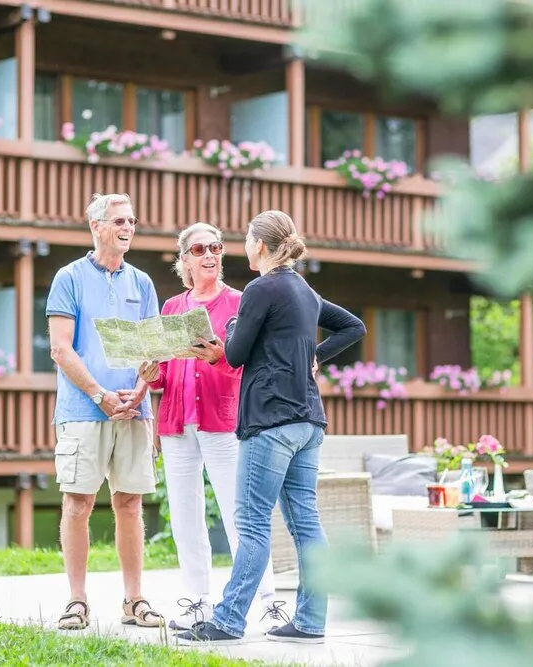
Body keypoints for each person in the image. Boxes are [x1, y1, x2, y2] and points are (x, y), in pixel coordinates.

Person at [176, 210, 366, 646]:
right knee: (306, 522)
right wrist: (314, 355)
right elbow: (353, 327)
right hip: (308, 420)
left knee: (252, 521)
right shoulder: (303, 289)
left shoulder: (260, 288)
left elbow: (236, 353)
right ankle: (310, 622)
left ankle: (227, 621)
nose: (243, 245)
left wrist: (232, 328)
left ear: (259, 245)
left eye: (245, 238)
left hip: (270, 422)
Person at [137, 222, 285, 634]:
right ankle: (198, 601)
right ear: (184, 260)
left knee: (242, 517)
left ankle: (268, 602)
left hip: (223, 421)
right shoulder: (172, 308)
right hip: (176, 423)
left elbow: (253, 366)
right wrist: (151, 375)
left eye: (216, 248)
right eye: (199, 249)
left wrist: (219, 357)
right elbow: (165, 374)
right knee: (186, 519)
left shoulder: (240, 301)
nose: (209, 255)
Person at [47, 192, 165, 631]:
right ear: (96, 226)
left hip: (134, 410)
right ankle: (77, 601)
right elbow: (61, 349)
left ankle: (135, 600)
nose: (127, 228)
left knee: (130, 504)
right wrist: (100, 396)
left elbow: (153, 351)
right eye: (119, 221)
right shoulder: (69, 277)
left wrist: (140, 390)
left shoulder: (143, 283)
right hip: (83, 410)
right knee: (78, 503)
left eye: (131, 221)